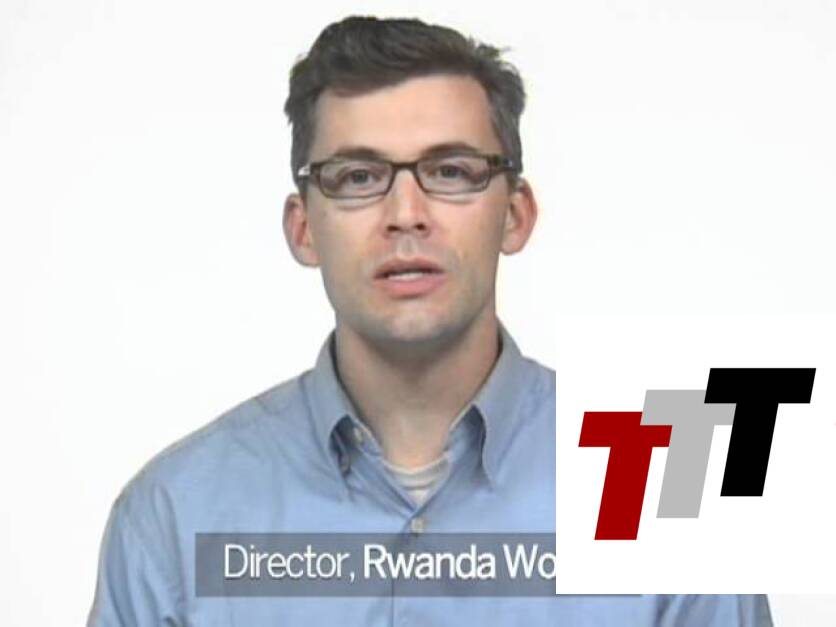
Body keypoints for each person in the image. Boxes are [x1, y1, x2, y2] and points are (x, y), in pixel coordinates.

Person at [88, 16, 772, 626]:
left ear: (515, 215)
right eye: (358, 177)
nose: (406, 214)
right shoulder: (173, 516)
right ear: (303, 229)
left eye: (451, 171)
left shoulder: (670, 493)